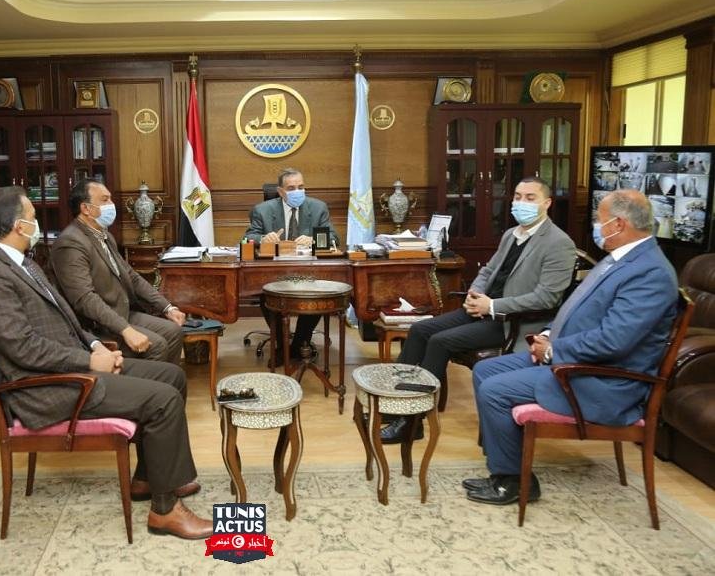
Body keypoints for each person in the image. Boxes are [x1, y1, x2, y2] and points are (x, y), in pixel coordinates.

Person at [0, 186, 212, 540]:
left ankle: (148, 478)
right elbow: (22, 348)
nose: (37, 224)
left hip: (72, 368)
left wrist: (96, 346)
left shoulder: (24, 262)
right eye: (33, 217)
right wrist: (90, 361)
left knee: (172, 376)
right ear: (18, 226)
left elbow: (67, 318)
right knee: (164, 400)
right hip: (49, 387)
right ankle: (165, 511)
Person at [464, 189, 678, 505]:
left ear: (619, 224)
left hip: (603, 380)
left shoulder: (651, 273)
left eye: (599, 220)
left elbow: (614, 341)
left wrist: (553, 350)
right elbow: (576, 311)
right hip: (575, 360)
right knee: (485, 370)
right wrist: (548, 335)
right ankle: (504, 460)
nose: (595, 226)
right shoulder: (620, 258)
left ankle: (514, 482)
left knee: (495, 390)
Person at [381, 178, 576, 443]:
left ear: (547, 203)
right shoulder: (512, 234)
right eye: (518, 196)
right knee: (419, 330)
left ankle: (412, 422)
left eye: (530, 198)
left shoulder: (559, 243)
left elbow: (547, 297)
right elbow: (488, 271)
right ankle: (395, 405)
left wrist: (492, 305)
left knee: (439, 341)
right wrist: (475, 293)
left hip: (511, 321)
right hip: (482, 309)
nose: (521, 203)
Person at [49, 180, 185, 364]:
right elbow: (85, 299)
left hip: (123, 311)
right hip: (98, 324)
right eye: (104, 200)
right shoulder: (70, 243)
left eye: (110, 199)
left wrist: (167, 308)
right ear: (86, 208)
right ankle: (146, 383)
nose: (111, 205)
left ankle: (169, 381)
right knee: (157, 345)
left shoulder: (104, 236)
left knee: (174, 331)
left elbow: (132, 277)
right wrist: (125, 329)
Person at [244, 167, 340, 362]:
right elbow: (248, 237)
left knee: (317, 294)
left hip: (309, 272)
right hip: (274, 272)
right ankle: (281, 345)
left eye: (301, 187)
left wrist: (314, 239)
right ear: (280, 191)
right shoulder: (262, 210)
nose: (298, 191)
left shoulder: (318, 208)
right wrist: (264, 239)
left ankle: (298, 345)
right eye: (291, 188)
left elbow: (334, 238)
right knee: (266, 294)